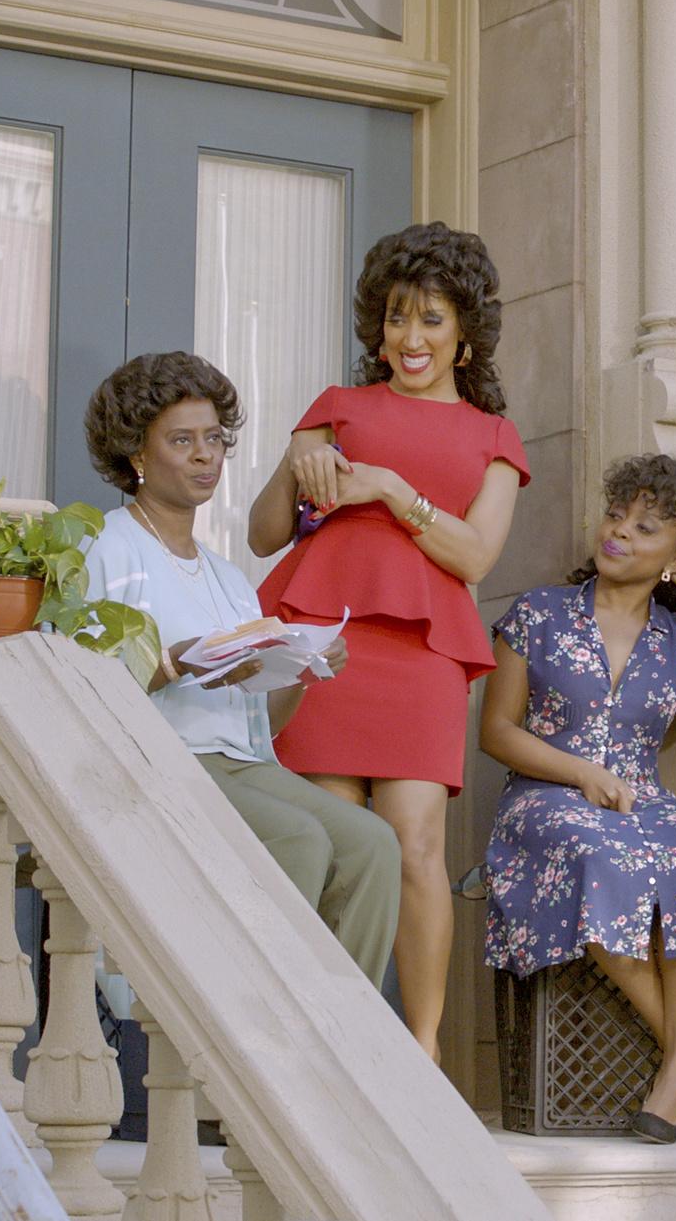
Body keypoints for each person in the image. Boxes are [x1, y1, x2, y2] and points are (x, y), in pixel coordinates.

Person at [247, 222, 528, 1061]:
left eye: (433, 319)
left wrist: (391, 489)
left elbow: (475, 555)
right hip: (324, 643)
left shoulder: (494, 440)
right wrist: (299, 471)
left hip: (423, 655)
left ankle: (422, 1049)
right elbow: (265, 535)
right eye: (399, 317)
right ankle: (329, 1037)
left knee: (415, 844)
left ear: (466, 335)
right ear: (378, 324)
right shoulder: (336, 409)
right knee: (333, 842)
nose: (412, 339)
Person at [478, 455, 676, 1144]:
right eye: (616, 513)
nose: (617, 531)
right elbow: (496, 732)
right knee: (602, 856)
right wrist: (579, 773)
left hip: (643, 802)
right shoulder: (539, 614)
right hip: (546, 800)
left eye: (644, 526)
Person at [82, 351, 401, 985]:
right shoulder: (107, 546)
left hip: (245, 764)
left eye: (214, 439)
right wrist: (173, 660)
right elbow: (85, 683)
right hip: (164, 758)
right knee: (301, 840)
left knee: (374, 844)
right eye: (182, 440)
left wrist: (300, 670)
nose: (206, 456)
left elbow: (262, 720)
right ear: (136, 455)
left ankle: (342, 1027)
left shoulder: (228, 577)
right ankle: (265, 1024)